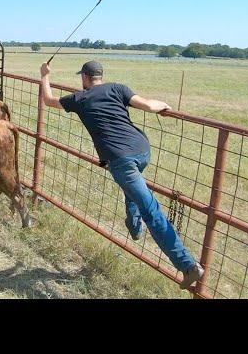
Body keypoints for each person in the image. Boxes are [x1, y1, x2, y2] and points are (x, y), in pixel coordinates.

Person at [39, 59, 204, 290]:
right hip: (142, 150)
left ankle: (187, 265)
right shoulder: (118, 88)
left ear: (85, 78)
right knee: (133, 189)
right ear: (100, 76)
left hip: (121, 160)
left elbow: (48, 100)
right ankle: (134, 226)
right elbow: (147, 105)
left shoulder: (80, 99)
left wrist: (44, 75)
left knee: (151, 209)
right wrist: (164, 106)